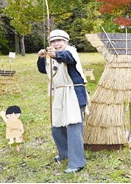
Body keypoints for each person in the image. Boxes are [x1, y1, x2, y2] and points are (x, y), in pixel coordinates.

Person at [37, 29, 87, 173]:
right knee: (56, 125)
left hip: (72, 92)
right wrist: (42, 58)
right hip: (58, 93)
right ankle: (64, 153)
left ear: (66, 42)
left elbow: (67, 58)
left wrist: (56, 54)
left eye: (59, 41)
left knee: (73, 126)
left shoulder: (71, 52)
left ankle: (77, 162)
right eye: (53, 41)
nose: (56, 43)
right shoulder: (51, 56)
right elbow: (44, 70)